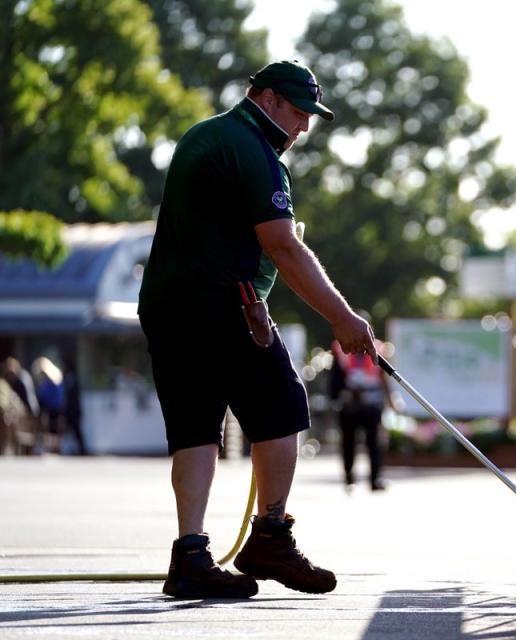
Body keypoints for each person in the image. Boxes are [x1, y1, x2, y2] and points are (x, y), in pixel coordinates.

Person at [137, 60, 377, 600]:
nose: (304, 126)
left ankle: (191, 556)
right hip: (224, 307)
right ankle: (269, 536)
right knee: (282, 411)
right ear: (266, 99)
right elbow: (283, 246)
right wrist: (341, 317)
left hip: (167, 307)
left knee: (196, 428)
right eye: (297, 112)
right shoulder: (252, 150)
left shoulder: (204, 136)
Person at [329, 321, 395, 491]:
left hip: (371, 403)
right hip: (349, 403)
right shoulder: (340, 349)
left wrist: (391, 400)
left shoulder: (378, 349)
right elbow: (335, 378)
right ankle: (349, 479)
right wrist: (337, 397)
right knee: (348, 443)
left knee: (374, 443)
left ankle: (375, 479)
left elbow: (383, 377)